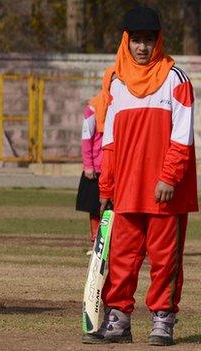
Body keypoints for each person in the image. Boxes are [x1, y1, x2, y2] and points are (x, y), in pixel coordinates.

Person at [82, 6, 197, 346]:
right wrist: (107, 186)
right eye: (136, 41)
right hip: (127, 191)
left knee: (164, 261)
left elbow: (183, 137)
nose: (143, 47)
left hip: (166, 192)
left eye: (149, 40)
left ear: (158, 41)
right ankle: (118, 320)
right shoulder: (116, 84)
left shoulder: (176, 80)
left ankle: (163, 319)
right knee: (122, 258)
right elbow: (111, 141)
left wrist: (169, 178)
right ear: (126, 41)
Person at [75, 67, 115, 254]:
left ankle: (113, 243)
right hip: (97, 167)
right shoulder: (92, 108)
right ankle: (96, 243)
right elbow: (86, 138)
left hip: (116, 167)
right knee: (95, 207)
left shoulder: (123, 106)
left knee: (115, 209)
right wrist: (88, 165)